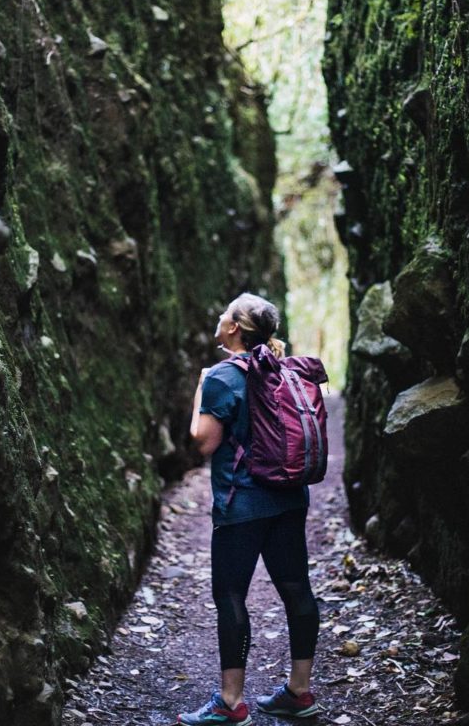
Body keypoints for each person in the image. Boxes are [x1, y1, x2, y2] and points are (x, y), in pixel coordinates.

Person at [177, 293, 320, 725]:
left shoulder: (221, 376)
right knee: (297, 588)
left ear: (235, 327)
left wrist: (201, 387)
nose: (218, 319)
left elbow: (203, 441)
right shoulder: (282, 368)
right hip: (290, 498)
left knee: (231, 596)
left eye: (224, 315)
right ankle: (299, 692)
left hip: (242, 505)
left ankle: (231, 702)